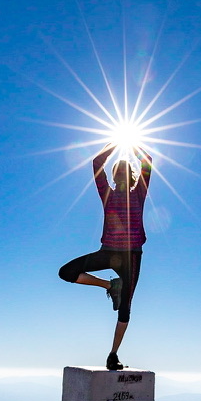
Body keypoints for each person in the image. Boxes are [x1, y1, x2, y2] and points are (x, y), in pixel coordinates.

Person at [58, 142, 153, 371]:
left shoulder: (139, 193)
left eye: (124, 171)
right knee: (66, 272)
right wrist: (116, 144)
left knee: (126, 309)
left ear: (131, 176)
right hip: (108, 252)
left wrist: (132, 145)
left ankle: (113, 355)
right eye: (116, 171)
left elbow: (147, 161)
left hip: (132, 256)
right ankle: (110, 286)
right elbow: (97, 163)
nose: (120, 174)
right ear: (113, 176)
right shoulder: (107, 193)